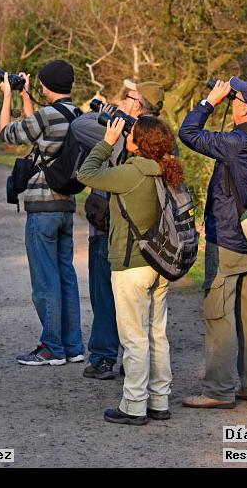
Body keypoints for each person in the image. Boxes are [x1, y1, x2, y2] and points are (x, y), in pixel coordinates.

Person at [178, 77, 247, 409]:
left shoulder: (237, 143)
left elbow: (188, 133)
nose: (232, 102)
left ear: (244, 108)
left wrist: (210, 101)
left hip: (228, 241)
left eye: (235, 99)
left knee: (219, 314)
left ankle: (218, 391)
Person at [77, 115, 183, 425]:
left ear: (138, 143)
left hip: (131, 266)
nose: (127, 136)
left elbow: (86, 174)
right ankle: (159, 401)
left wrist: (106, 143)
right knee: (157, 335)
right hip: (161, 262)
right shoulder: (167, 171)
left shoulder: (130, 173)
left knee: (134, 338)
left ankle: (134, 405)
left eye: (131, 133)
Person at [71, 79, 166, 381]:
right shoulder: (160, 137)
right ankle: (135, 361)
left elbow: (78, 126)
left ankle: (103, 356)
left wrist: (109, 115)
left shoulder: (122, 134)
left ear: (138, 105)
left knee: (105, 295)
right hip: (149, 235)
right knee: (143, 305)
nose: (123, 99)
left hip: (110, 231)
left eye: (128, 96)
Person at [0, 59, 85, 366]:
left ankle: (51, 348)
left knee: (45, 280)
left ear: (47, 85)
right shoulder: (77, 115)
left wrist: (7, 95)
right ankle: (73, 346)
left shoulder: (47, 116)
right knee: (65, 277)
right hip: (66, 205)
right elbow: (38, 134)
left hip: (42, 207)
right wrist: (26, 96)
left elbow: (7, 133)